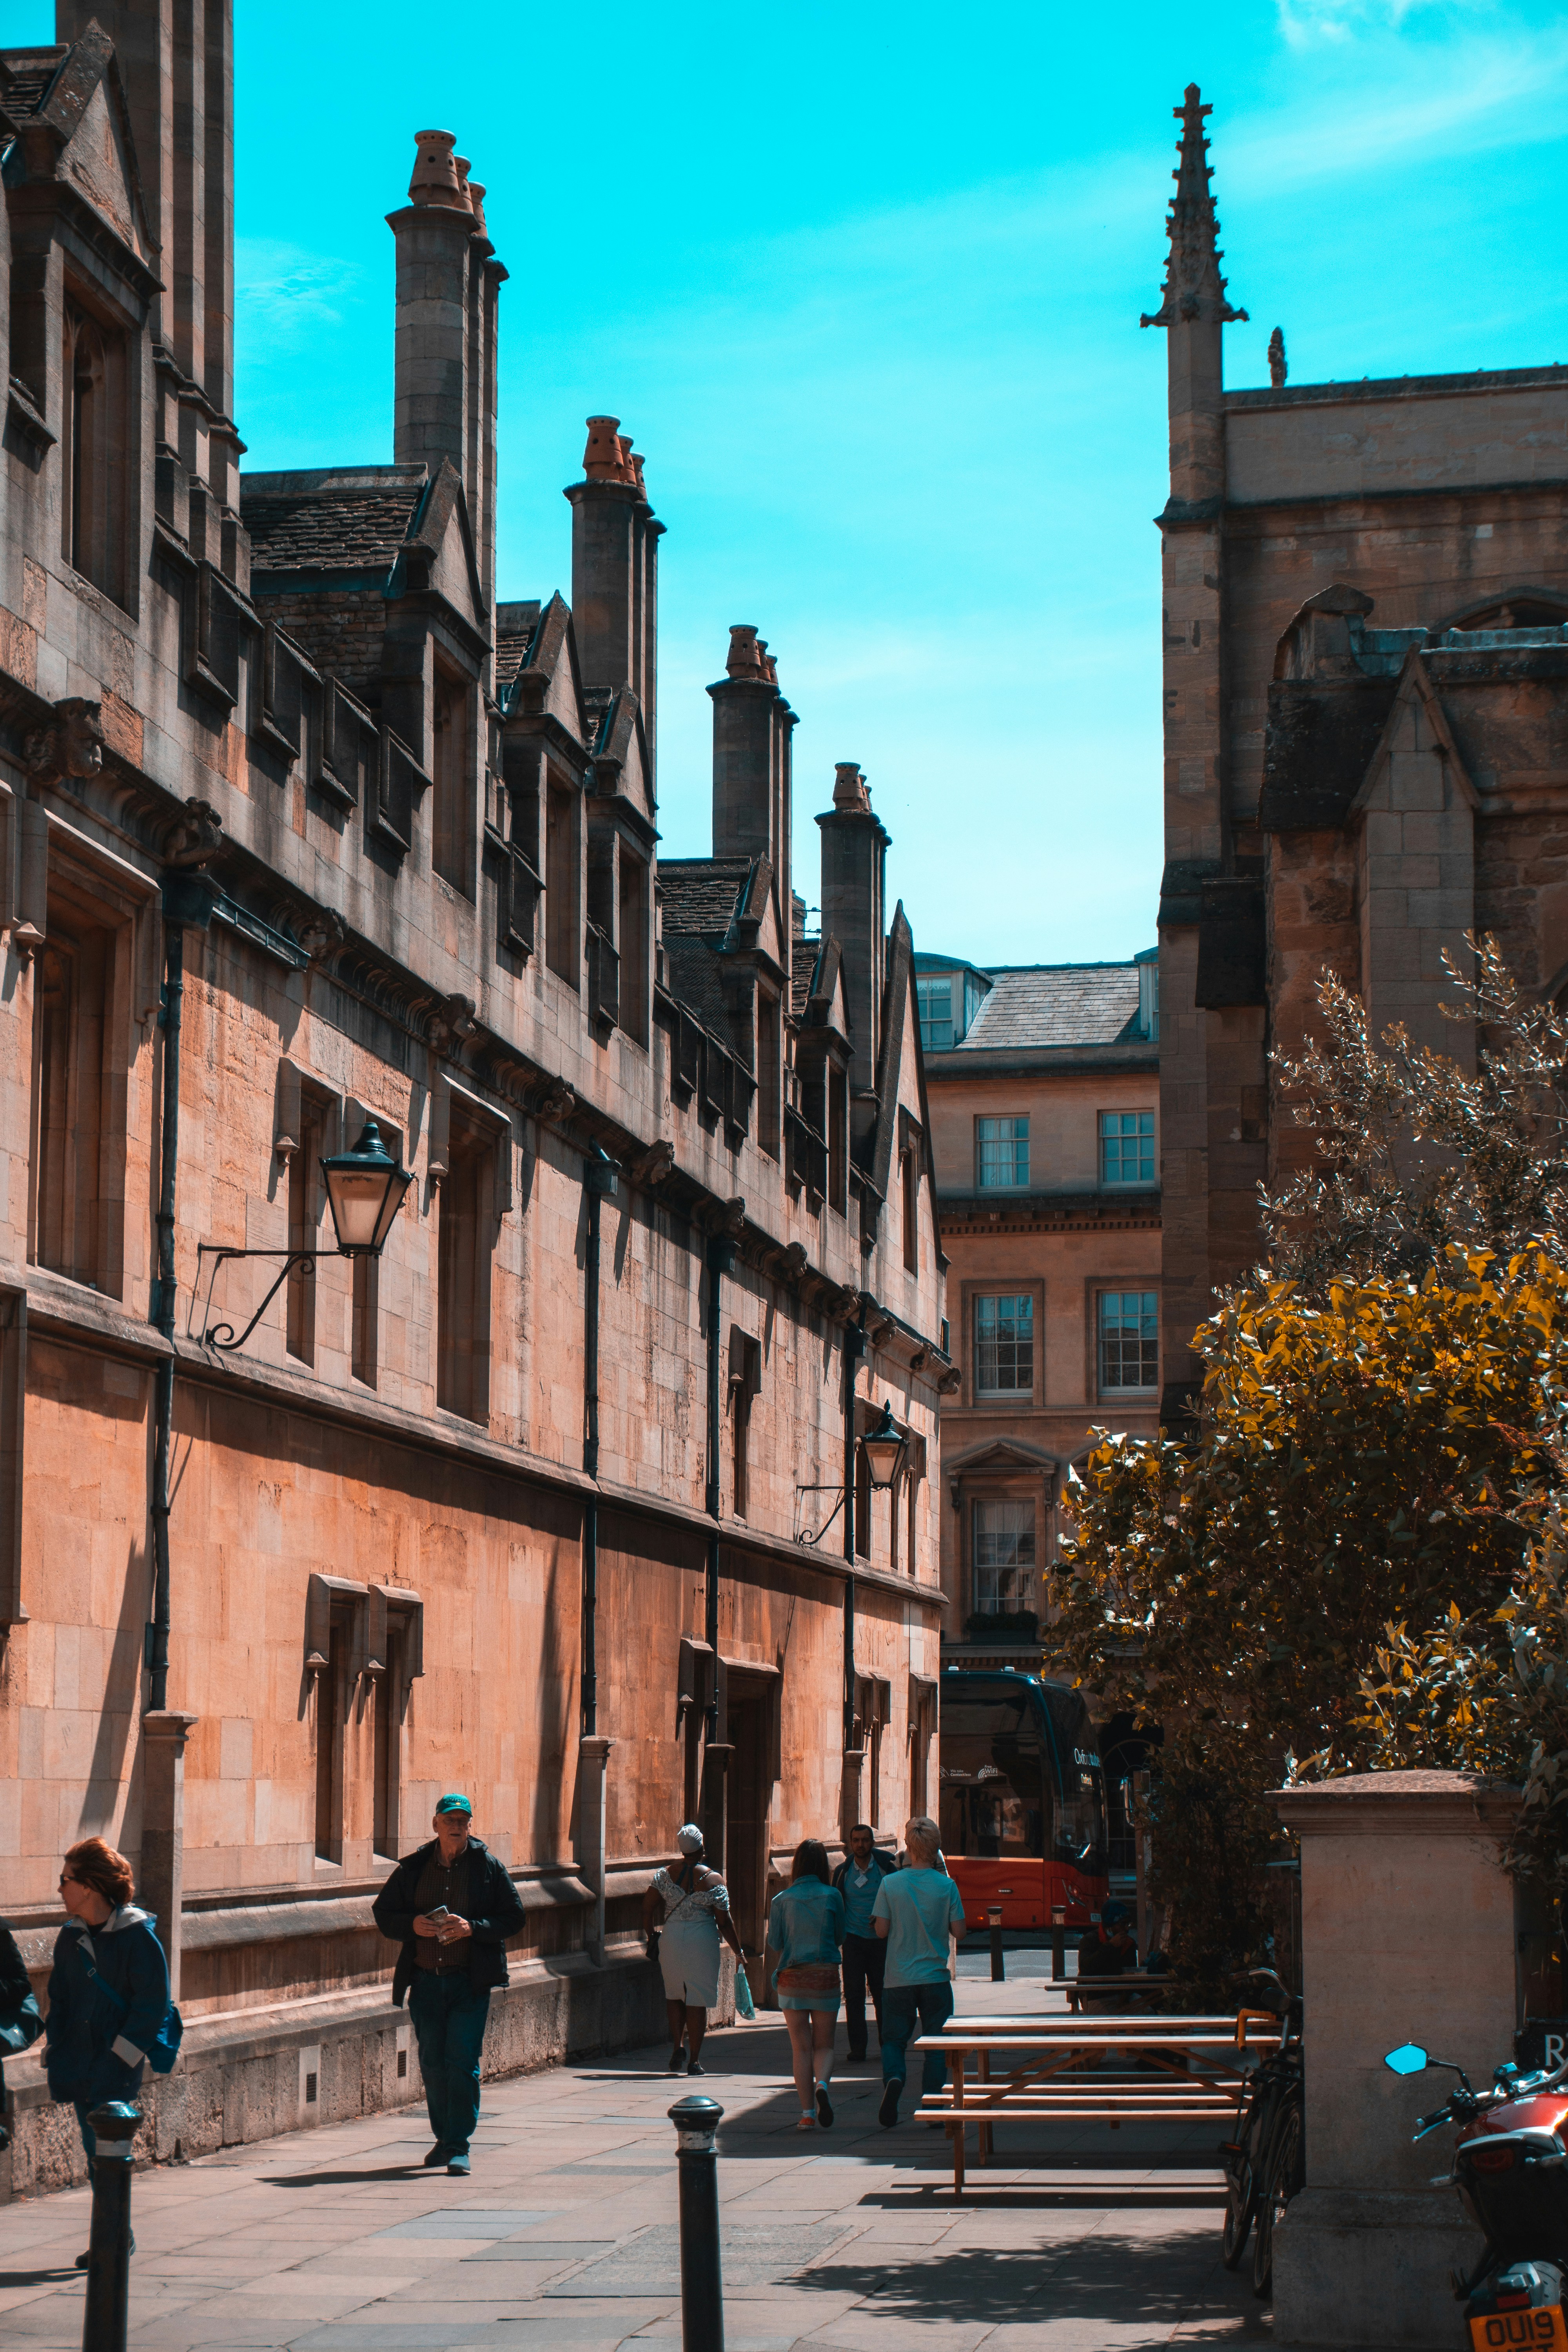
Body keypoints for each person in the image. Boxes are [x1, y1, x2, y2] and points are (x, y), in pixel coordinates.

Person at [372, 1793, 525, 2176]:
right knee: (432, 2064)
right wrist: (412, 1925)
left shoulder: (488, 1868)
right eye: (450, 1820)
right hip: (425, 1982)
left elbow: (514, 1916)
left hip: (468, 1984)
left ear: (470, 1826)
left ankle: (459, 2144)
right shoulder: (413, 1869)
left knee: (462, 2064)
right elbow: (384, 1912)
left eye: (463, 1821)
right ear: (435, 1824)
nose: (456, 1826)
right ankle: (443, 2139)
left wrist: (474, 1928)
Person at [44, 1837, 171, 2264]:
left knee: (106, 2150)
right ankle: (118, 2233)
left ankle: (113, 2239)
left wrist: (121, 2055)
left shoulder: (137, 1938)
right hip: (77, 2058)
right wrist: (57, 2045)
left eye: (66, 1880)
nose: (60, 1889)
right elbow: (59, 1999)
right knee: (92, 2148)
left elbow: (151, 2005)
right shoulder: (69, 1938)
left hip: (115, 2063)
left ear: (90, 1887)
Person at [872, 1815, 967, 2129]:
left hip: (898, 1978)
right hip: (935, 1978)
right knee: (937, 2045)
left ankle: (895, 2077)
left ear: (909, 1847)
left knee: (893, 2041)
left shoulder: (890, 1884)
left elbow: (882, 1932)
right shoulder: (947, 1886)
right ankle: (933, 2105)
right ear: (936, 1848)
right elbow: (960, 1932)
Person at [642, 1824, 746, 2076]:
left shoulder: (664, 1876)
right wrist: (738, 1950)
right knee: (696, 1999)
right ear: (701, 1849)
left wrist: (651, 1935)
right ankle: (695, 2061)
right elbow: (724, 1921)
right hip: (702, 1940)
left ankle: (678, 2045)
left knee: (675, 1994)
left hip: (672, 1938)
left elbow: (647, 1908)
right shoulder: (713, 1879)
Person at [765, 1840, 846, 2131]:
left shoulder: (781, 1900)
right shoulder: (833, 1896)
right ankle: (822, 2084)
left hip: (792, 1978)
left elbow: (775, 1942)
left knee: (800, 2049)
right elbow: (840, 1936)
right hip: (824, 1976)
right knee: (824, 2045)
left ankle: (807, 2114)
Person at [832, 1824, 898, 2063]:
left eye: (865, 1840)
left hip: (880, 1942)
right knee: (854, 1996)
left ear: (873, 1842)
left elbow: (897, 1899)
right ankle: (858, 2048)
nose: (860, 1845)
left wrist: (884, 1915)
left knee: (883, 1997)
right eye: (856, 1840)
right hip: (853, 1942)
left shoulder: (886, 1869)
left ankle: (887, 2045)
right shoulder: (843, 1872)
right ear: (851, 1843)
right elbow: (837, 1905)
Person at [1074, 1900, 1138, 2011]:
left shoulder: (1129, 1944)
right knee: (1109, 2018)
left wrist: (1126, 1996)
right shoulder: (1090, 1940)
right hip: (1096, 1996)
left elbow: (1131, 1972)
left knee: (1148, 2013)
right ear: (1109, 1926)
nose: (1126, 1929)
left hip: (1124, 1995)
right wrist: (1111, 1946)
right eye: (1122, 1924)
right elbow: (1086, 1968)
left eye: (1128, 1924)